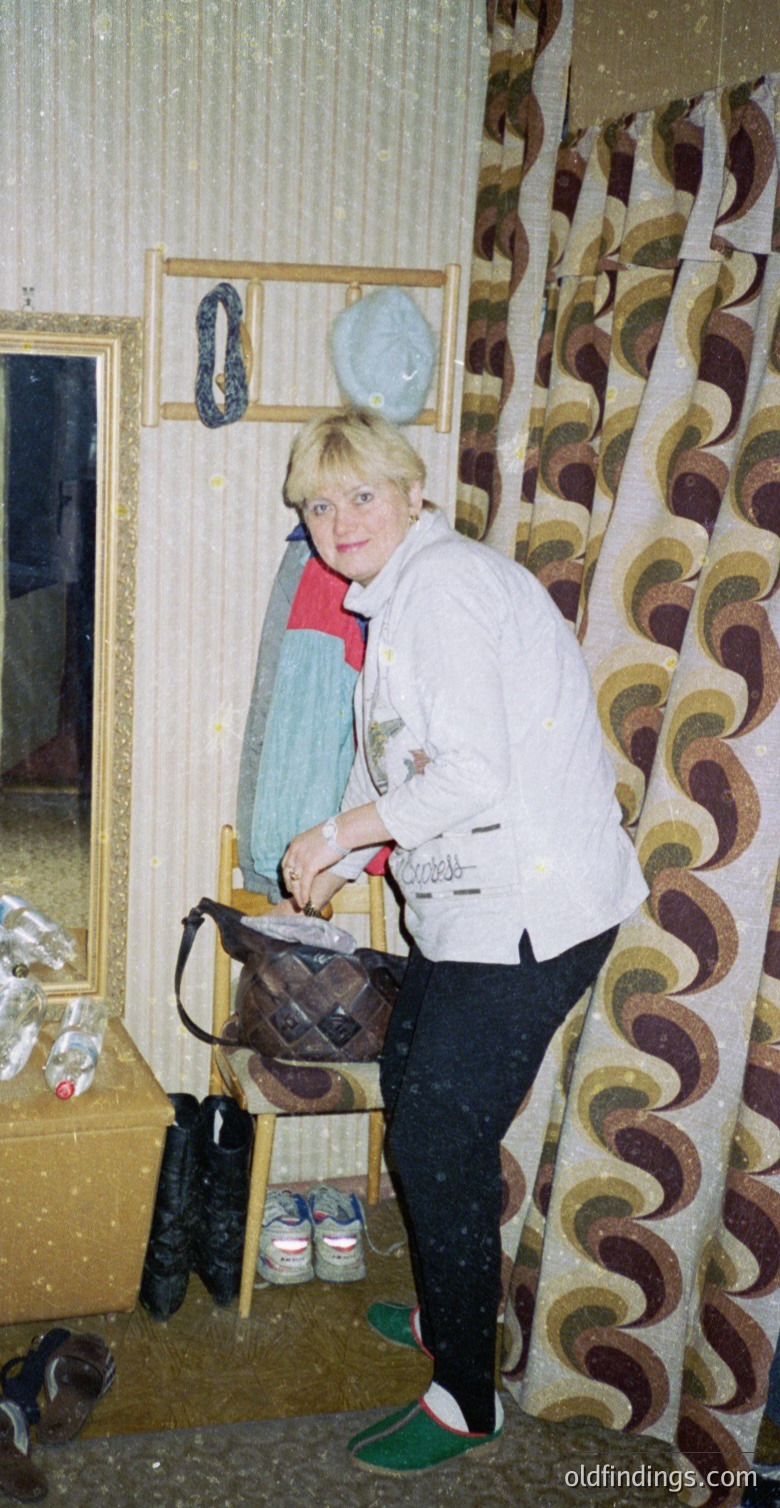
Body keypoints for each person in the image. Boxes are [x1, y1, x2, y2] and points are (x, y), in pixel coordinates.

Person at [277, 408, 648, 1478]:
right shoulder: (395, 604)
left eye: (360, 494)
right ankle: (450, 1314)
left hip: (529, 912)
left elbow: (474, 772)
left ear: (410, 494)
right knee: (414, 1088)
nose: (339, 519)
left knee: (436, 1132)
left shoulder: (438, 589)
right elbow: (398, 762)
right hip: (473, 905)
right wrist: (337, 858)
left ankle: (465, 1395)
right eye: (317, 503)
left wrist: (340, 834)